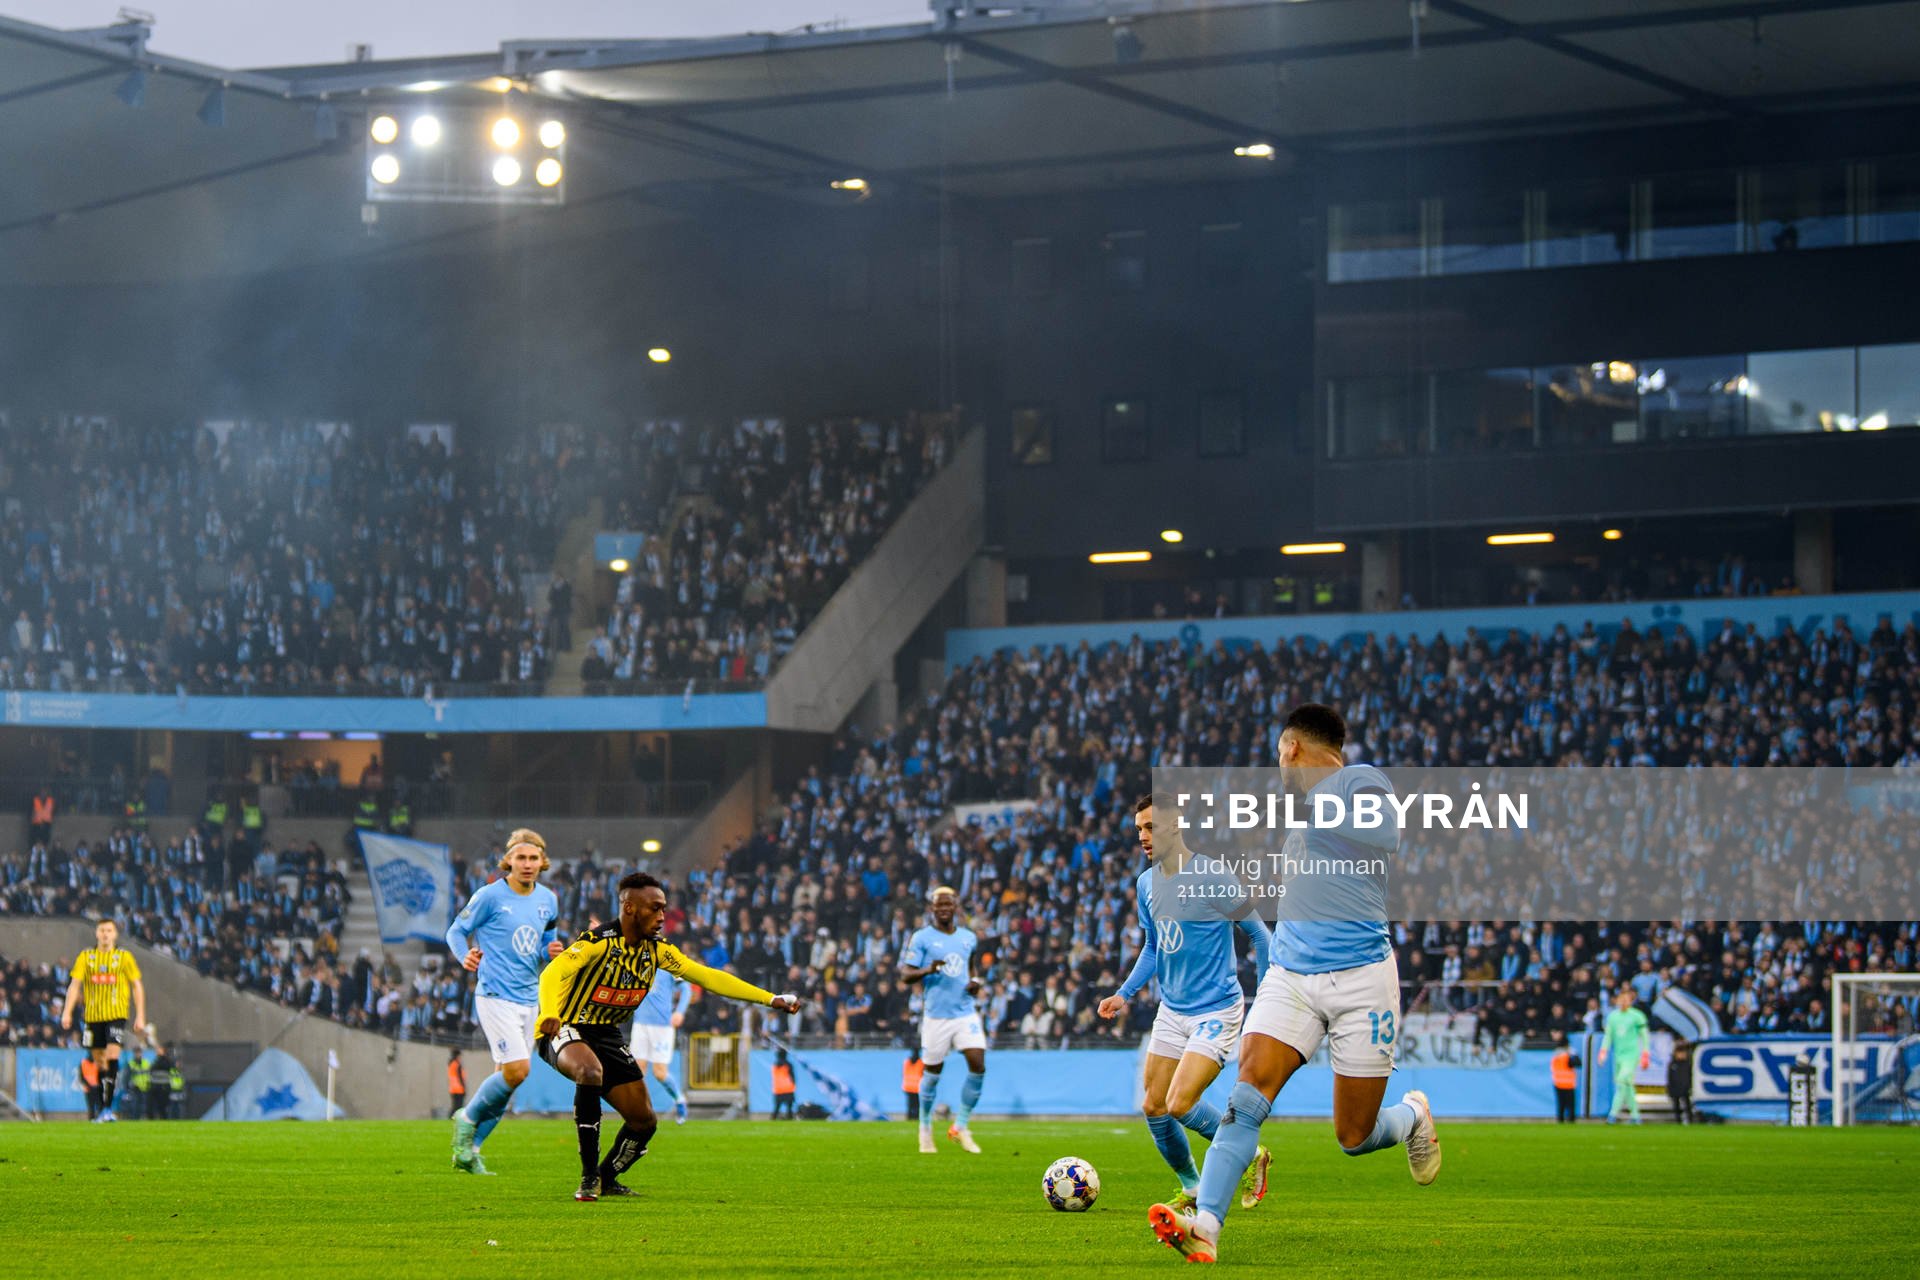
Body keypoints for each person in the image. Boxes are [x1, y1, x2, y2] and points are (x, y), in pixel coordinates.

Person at [1150, 704, 1440, 1265]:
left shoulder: (1361, 781)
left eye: (1276, 753)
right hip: (1291, 977)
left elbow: (1389, 834)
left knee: (1353, 1136)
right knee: (1247, 1091)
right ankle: (1206, 1224)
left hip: (1361, 982)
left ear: (1290, 748)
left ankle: (1412, 1118)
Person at [536, 871, 801, 1201]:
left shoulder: (658, 951)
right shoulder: (598, 942)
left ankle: (606, 1177)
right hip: (564, 1027)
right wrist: (549, 1012)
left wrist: (770, 998)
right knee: (589, 1072)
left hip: (606, 1034)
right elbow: (553, 972)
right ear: (630, 908)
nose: (663, 916)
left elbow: (707, 977)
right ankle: (588, 1177)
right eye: (655, 908)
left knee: (644, 1121)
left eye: (664, 909)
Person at [1100, 792, 1274, 1214]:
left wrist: (1269, 1002)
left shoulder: (1215, 876)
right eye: (1139, 828)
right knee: (1154, 1106)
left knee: (1180, 1103)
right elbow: (1154, 947)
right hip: (1172, 1011)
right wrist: (1124, 994)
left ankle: (1250, 1155)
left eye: (1150, 827)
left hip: (1216, 1009)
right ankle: (1192, 1186)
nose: (1143, 836)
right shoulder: (1146, 884)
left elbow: (1260, 936)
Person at [448, 829, 563, 1175]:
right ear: (508, 860)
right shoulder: (490, 896)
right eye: (520, 858)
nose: (527, 864)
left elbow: (544, 945)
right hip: (496, 995)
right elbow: (455, 931)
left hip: (530, 998)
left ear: (542, 861)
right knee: (518, 1071)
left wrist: (550, 951)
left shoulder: (549, 900)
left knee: (506, 1082)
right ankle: (466, 1117)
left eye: (533, 858)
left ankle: (470, 1152)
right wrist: (464, 956)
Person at [899, 885, 987, 1154]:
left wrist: (975, 982)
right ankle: (925, 1129)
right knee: (932, 1074)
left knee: (978, 1063)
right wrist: (928, 969)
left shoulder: (968, 938)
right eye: (940, 905)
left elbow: (972, 967)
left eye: (949, 904)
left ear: (956, 907)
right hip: (936, 1016)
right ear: (932, 908)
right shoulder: (922, 938)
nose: (945, 908)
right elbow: (905, 974)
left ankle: (959, 1126)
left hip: (964, 1012)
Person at [60, 918, 148, 1123]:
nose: (106, 934)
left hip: (116, 1015)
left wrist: (141, 1015)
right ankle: (101, 1107)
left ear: (115, 934)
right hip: (92, 1017)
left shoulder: (124, 957)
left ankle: (107, 1109)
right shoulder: (86, 957)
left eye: (109, 930)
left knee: (111, 1056)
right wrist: (67, 1011)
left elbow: (137, 985)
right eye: (102, 930)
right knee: (99, 1061)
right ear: (97, 934)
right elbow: (75, 985)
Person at [628, 962, 693, 1124]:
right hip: (640, 1024)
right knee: (637, 1071)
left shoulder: (667, 963)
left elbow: (686, 988)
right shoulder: (636, 961)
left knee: (660, 1073)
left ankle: (679, 1099)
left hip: (662, 1026)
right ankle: (641, 1110)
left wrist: (680, 1012)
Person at [1597, 986, 1649, 1124]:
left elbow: (1644, 1036)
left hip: (1631, 1054)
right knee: (1627, 1085)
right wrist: (1603, 1052)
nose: (1624, 1002)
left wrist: (1645, 1053)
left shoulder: (1637, 1016)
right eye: (1621, 999)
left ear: (1631, 1001)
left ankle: (1612, 1115)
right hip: (1618, 1055)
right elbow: (1608, 1036)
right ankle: (1636, 1116)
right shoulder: (1613, 1017)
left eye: (1627, 999)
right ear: (1617, 1000)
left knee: (1621, 1081)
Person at [1550, 1031, 1580, 1123]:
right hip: (1568, 1083)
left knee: (1561, 1103)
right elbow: (1577, 1064)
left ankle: (1560, 1119)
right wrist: (1573, 1055)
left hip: (1558, 1082)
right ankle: (1571, 1119)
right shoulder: (1568, 1055)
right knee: (1570, 1104)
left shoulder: (1555, 1054)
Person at [1666, 1040, 1694, 1124]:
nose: (1681, 1055)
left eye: (1683, 1053)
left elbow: (1690, 1076)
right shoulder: (1672, 1064)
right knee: (1676, 1106)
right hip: (1675, 1088)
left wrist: (1689, 1086)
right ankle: (1678, 1120)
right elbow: (1669, 1077)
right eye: (1679, 1053)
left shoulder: (1688, 1064)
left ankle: (1690, 1120)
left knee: (1687, 1105)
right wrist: (1670, 1088)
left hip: (1685, 1088)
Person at [770, 1048, 797, 1119]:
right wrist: (794, 1085)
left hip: (778, 1089)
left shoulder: (775, 1065)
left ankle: (773, 1120)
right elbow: (792, 1076)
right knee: (789, 1108)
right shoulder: (788, 1065)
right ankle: (789, 1119)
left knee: (777, 1107)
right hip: (788, 1089)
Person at [902, 1048, 924, 1123]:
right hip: (917, 1086)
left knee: (910, 1104)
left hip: (907, 1086)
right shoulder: (920, 1062)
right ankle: (916, 1117)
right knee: (917, 1104)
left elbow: (903, 1073)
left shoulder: (907, 1061)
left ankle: (909, 1117)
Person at [447, 1049, 468, 1120]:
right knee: (458, 1106)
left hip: (452, 1088)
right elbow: (460, 1078)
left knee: (455, 1106)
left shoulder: (451, 1064)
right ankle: (453, 1118)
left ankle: (450, 1117)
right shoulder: (457, 1065)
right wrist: (464, 1088)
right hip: (459, 1088)